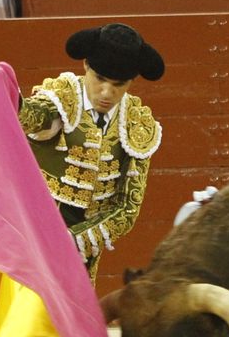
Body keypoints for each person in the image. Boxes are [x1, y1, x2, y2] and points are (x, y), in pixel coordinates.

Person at [19, 21, 164, 279]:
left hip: (85, 242)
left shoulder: (137, 124)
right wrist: (13, 102)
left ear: (131, 81)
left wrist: (75, 241)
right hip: (33, 225)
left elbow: (127, 208)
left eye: (118, 84)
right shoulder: (63, 98)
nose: (106, 92)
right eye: (99, 79)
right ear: (86, 65)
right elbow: (34, 117)